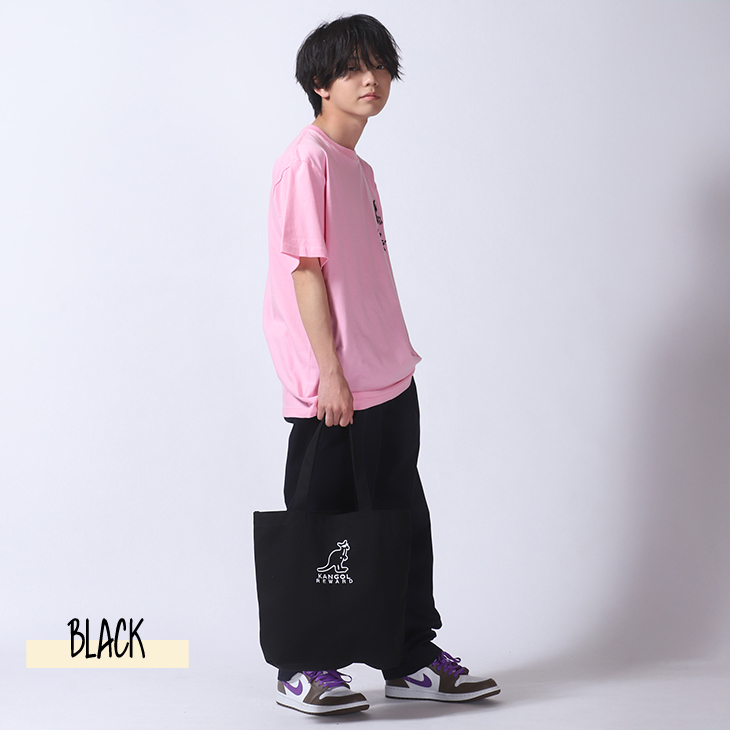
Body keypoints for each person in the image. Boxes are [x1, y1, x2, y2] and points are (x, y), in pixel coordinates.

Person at [262, 13, 500, 716]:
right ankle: (303, 667)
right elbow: (305, 273)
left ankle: (409, 658)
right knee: (321, 524)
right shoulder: (305, 161)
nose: (370, 79)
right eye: (352, 68)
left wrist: (382, 363)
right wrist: (329, 373)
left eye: (379, 66)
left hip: (388, 375)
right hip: (334, 386)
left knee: (401, 522)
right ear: (319, 82)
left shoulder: (357, 168)